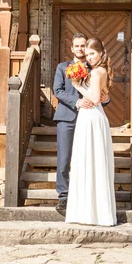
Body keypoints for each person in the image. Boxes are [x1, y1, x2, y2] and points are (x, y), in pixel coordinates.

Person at [53, 33, 109, 211]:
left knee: (86, 158)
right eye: (76, 46)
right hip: (66, 117)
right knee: (64, 158)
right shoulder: (63, 67)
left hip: (88, 118)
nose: (80, 49)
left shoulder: (94, 69)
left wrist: (104, 99)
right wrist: (76, 102)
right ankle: (64, 196)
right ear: (71, 48)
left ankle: (84, 195)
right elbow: (58, 90)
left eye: (83, 46)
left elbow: (102, 93)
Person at [65, 37, 117, 227]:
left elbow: (95, 98)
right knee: (87, 162)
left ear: (101, 53)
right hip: (88, 117)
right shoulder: (96, 71)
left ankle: (94, 214)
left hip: (93, 117)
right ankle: (89, 212)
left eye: (93, 54)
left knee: (91, 162)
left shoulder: (97, 72)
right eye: (87, 55)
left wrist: (78, 86)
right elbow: (101, 96)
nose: (90, 58)